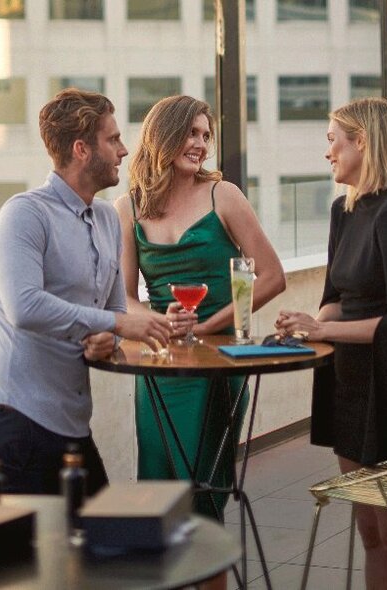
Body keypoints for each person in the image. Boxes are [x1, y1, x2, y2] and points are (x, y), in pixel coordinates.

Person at [0, 89, 171, 497]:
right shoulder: (24, 213)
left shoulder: (105, 217)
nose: (123, 150)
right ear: (82, 149)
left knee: (99, 549)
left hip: (73, 425)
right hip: (19, 420)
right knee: (34, 559)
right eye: (113, 139)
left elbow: (115, 308)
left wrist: (109, 337)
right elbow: (24, 307)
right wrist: (119, 324)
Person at [275, 97, 387, 589]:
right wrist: (306, 322)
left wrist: (324, 331)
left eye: (332, 141)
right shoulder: (343, 213)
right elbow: (338, 299)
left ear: (361, 142)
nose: (328, 153)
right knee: (368, 531)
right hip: (348, 388)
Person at [115, 95, 285, 520]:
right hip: (159, 368)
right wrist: (159, 321)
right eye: (192, 133)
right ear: (165, 134)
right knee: (159, 491)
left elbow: (271, 276)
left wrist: (209, 325)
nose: (201, 143)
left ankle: (209, 578)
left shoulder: (223, 196)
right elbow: (124, 299)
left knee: (205, 496)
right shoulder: (128, 208)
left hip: (220, 364)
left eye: (206, 135)